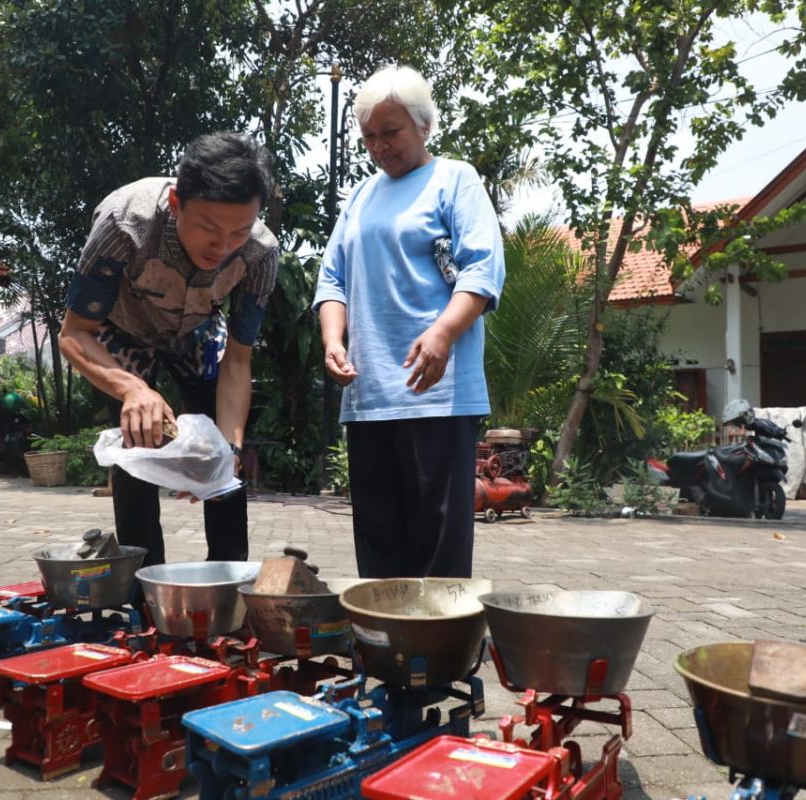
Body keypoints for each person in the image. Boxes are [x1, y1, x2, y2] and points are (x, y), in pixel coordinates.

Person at [313, 66, 505, 579]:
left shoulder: (454, 180)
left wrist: (442, 333)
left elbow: (483, 271)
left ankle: (442, 654)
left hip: (437, 393)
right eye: (369, 136)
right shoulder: (359, 198)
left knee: (438, 540)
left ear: (424, 125)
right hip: (370, 394)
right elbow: (332, 279)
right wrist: (334, 339)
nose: (379, 146)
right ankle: (387, 651)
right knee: (379, 540)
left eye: (390, 132)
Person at [60, 132, 278, 568]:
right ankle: (145, 589)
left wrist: (230, 451)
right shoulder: (124, 222)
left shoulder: (260, 253)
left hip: (198, 332)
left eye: (239, 231)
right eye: (209, 229)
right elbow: (74, 334)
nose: (222, 248)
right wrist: (131, 389)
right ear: (177, 203)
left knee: (223, 468)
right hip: (124, 333)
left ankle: (230, 582)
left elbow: (237, 359)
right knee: (136, 453)